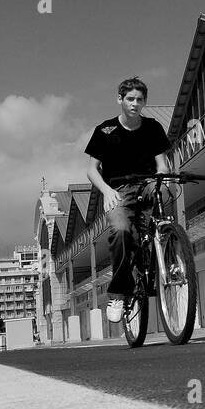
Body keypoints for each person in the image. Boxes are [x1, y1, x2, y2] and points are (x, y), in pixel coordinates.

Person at [85, 77, 171, 324]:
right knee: (122, 232)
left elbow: (161, 164)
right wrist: (106, 191)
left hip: (148, 185)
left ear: (145, 102)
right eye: (130, 99)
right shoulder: (105, 130)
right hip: (118, 190)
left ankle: (168, 253)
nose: (135, 104)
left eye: (140, 99)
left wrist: (163, 181)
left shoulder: (153, 127)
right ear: (120, 100)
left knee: (161, 212)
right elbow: (92, 170)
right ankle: (119, 293)